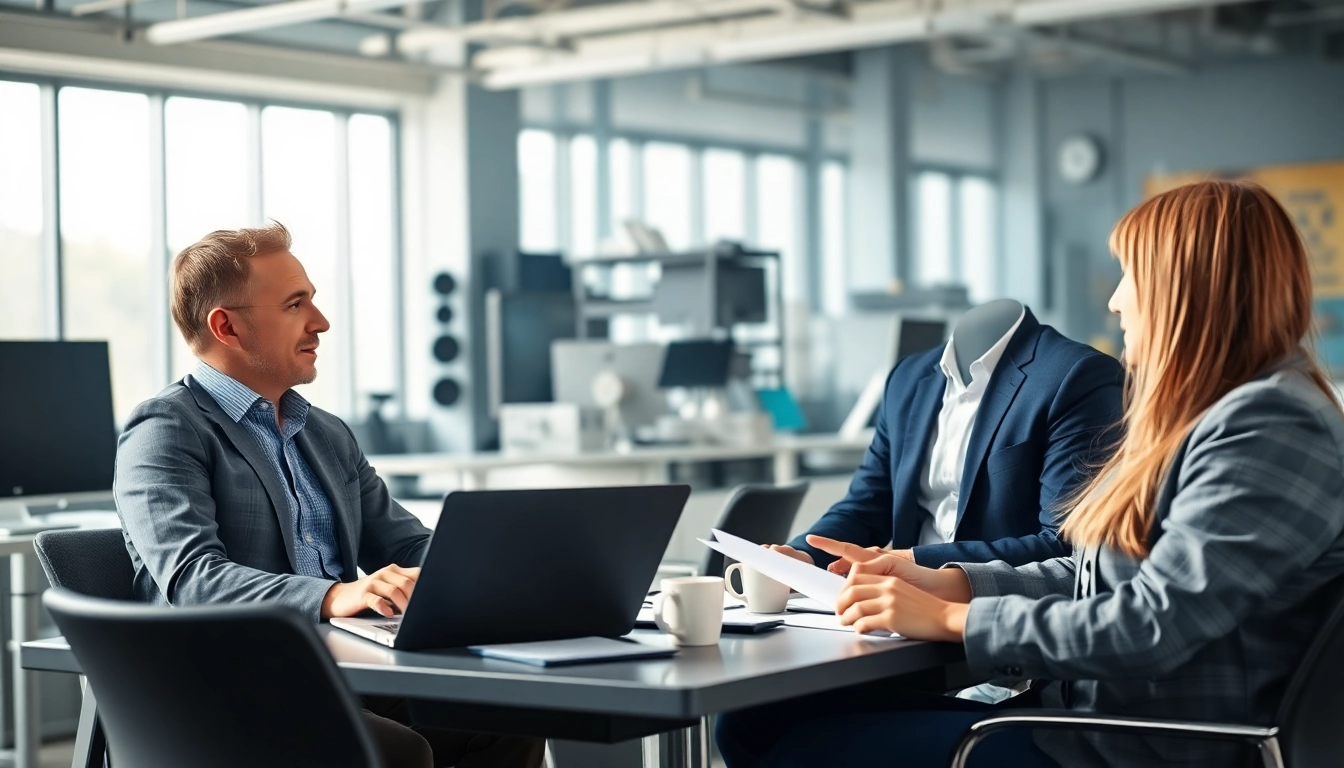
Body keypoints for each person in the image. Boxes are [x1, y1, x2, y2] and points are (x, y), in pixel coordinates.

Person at [716, 179, 1344, 768]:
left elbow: (1153, 624)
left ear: (1187, 288)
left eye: (1130, 276)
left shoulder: (1270, 427)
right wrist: (947, 581)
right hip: (1091, 719)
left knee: (791, 744)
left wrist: (949, 621)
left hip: (1135, 745)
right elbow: (1101, 575)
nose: (1115, 299)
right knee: (755, 721)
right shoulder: (1224, 414)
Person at [114, 223, 545, 768]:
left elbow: (407, 543)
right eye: (296, 305)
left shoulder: (325, 433)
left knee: (508, 718)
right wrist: (331, 595)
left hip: (337, 665)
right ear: (226, 326)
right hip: (222, 687)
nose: (321, 323)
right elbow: (192, 578)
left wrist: (515, 577)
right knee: (397, 751)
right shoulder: (166, 428)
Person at [772, 300, 1123, 572]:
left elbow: (1068, 547)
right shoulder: (907, 378)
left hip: (992, 610)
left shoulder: (1075, 376)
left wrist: (908, 562)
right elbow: (866, 507)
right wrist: (802, 554)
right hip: (895, 604)